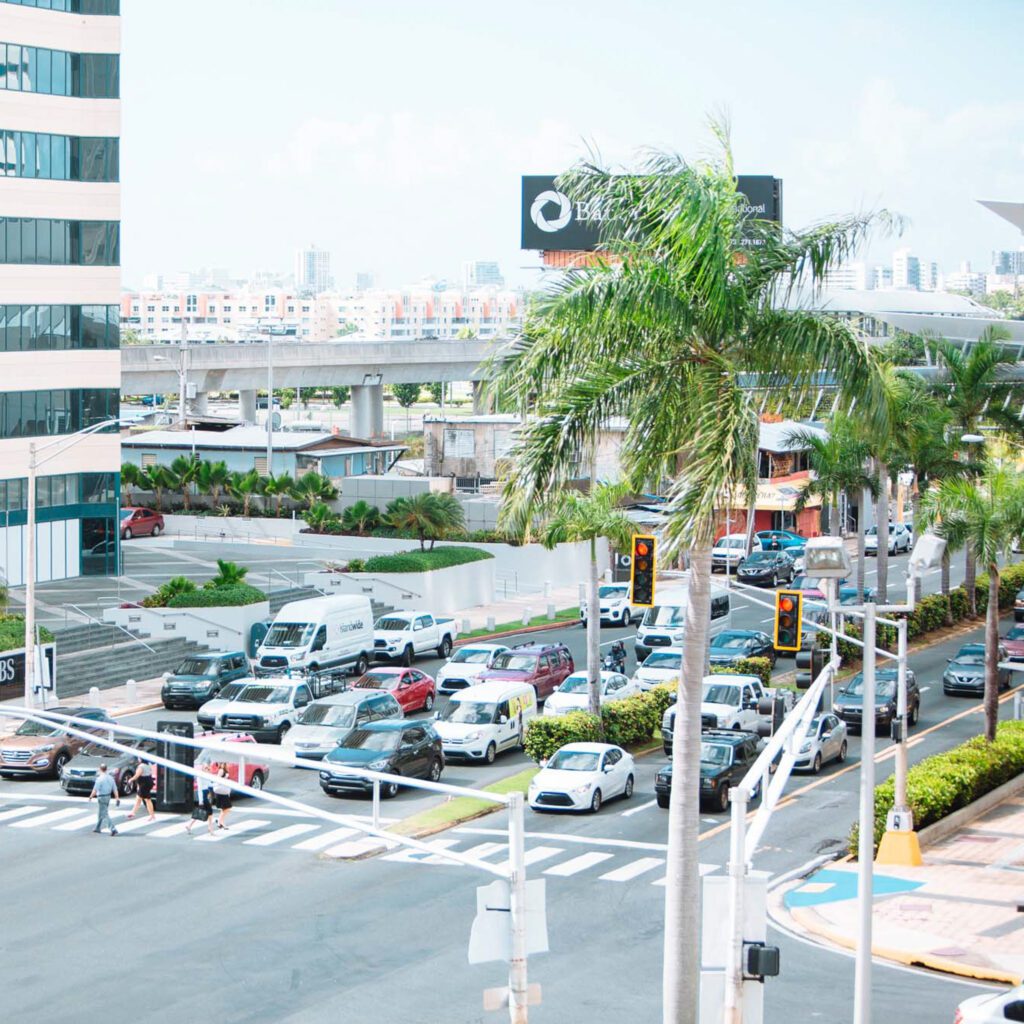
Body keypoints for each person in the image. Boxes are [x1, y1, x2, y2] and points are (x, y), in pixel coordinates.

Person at [89, 764, 120, 836]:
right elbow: (115, 789)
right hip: (108, 796)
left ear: (100, 769)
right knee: (101, 812)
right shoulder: (111, 778)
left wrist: (91, 796)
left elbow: (95, 790)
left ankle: (112, 829)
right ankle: (97, 828)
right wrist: (117, 798)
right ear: (106, 769)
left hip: (101, 797)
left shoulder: (99, 779)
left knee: (104, 813)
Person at [186, 765, 216, 836]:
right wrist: (201, 800)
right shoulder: (200, 776)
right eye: (206, 768)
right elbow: (199, 789)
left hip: (206, 794)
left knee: (204, 812)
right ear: (203, 769)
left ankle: (189, 825)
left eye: (208, 768)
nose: (207, 769)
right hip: (203, 795)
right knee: (208, 812)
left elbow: (210, 784)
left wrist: (218, 783)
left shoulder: (207, 776)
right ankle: (210, 829)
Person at [212, 763, 233, 830]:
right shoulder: (221, 770)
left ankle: (220, 822)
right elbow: (217, 779)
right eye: (222, 763)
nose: (223, 764)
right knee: (227, 808)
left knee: (224, 808)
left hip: (223, 791)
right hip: (221, 792)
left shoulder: (225, 770)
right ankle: (220, 822)